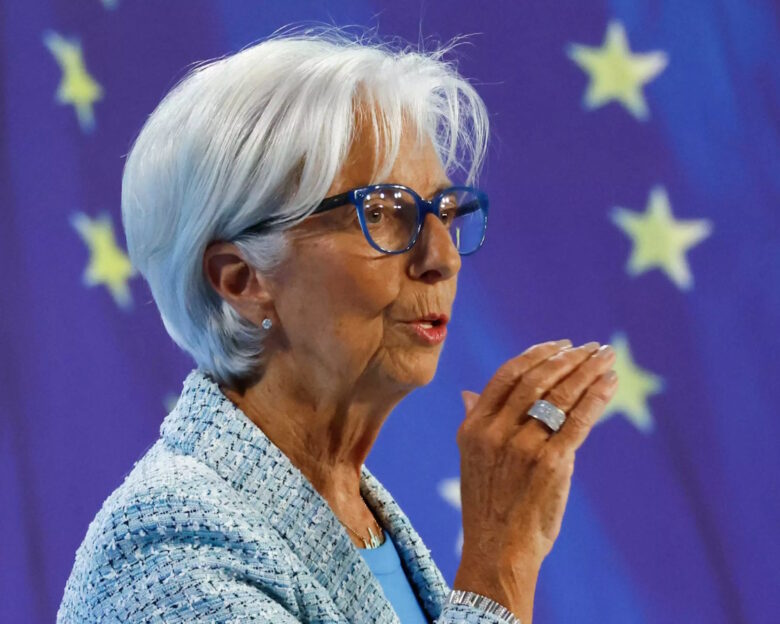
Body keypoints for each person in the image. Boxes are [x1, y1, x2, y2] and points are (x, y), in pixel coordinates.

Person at [57, 24, 619, 624]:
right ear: (241, 279)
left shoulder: (356, 516)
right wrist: (499, 560)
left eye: (443, 213)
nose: (444, 258)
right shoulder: (167, 550)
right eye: (382, 213)